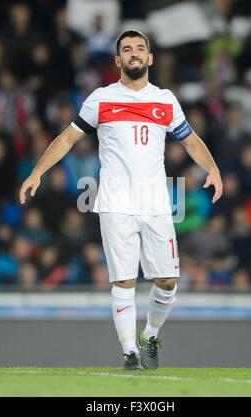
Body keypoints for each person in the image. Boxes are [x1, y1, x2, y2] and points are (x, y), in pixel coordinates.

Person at [19, 30, 223, 370]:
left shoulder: (165, 99)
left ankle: (151, 335)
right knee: (124, 280)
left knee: (168, 281)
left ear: (150, 58)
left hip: (157, 201)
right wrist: (37, 171)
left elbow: (190, 140)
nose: (134, 53)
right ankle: (129, 351)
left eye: (140, 48)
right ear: (117, 60)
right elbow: (68, 138)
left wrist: (213, 168)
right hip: (114, 201)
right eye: (127, 49)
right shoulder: (100, 99)